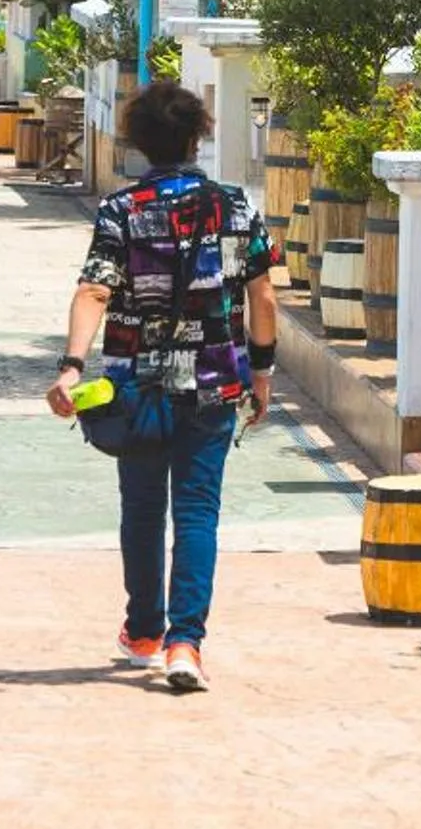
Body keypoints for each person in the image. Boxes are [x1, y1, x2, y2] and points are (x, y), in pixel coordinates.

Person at [45, 80, 274, 695]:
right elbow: (262, 295)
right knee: (197, 512)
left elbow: (94, 289)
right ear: (198, 135)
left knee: (143, 509)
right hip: (215, 383)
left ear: (140, 142)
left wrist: (72, 365)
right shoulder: (238, 206)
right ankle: (185, 644)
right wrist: (262, 370)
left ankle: (144, 630)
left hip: (136, 386)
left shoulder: (122, 210)